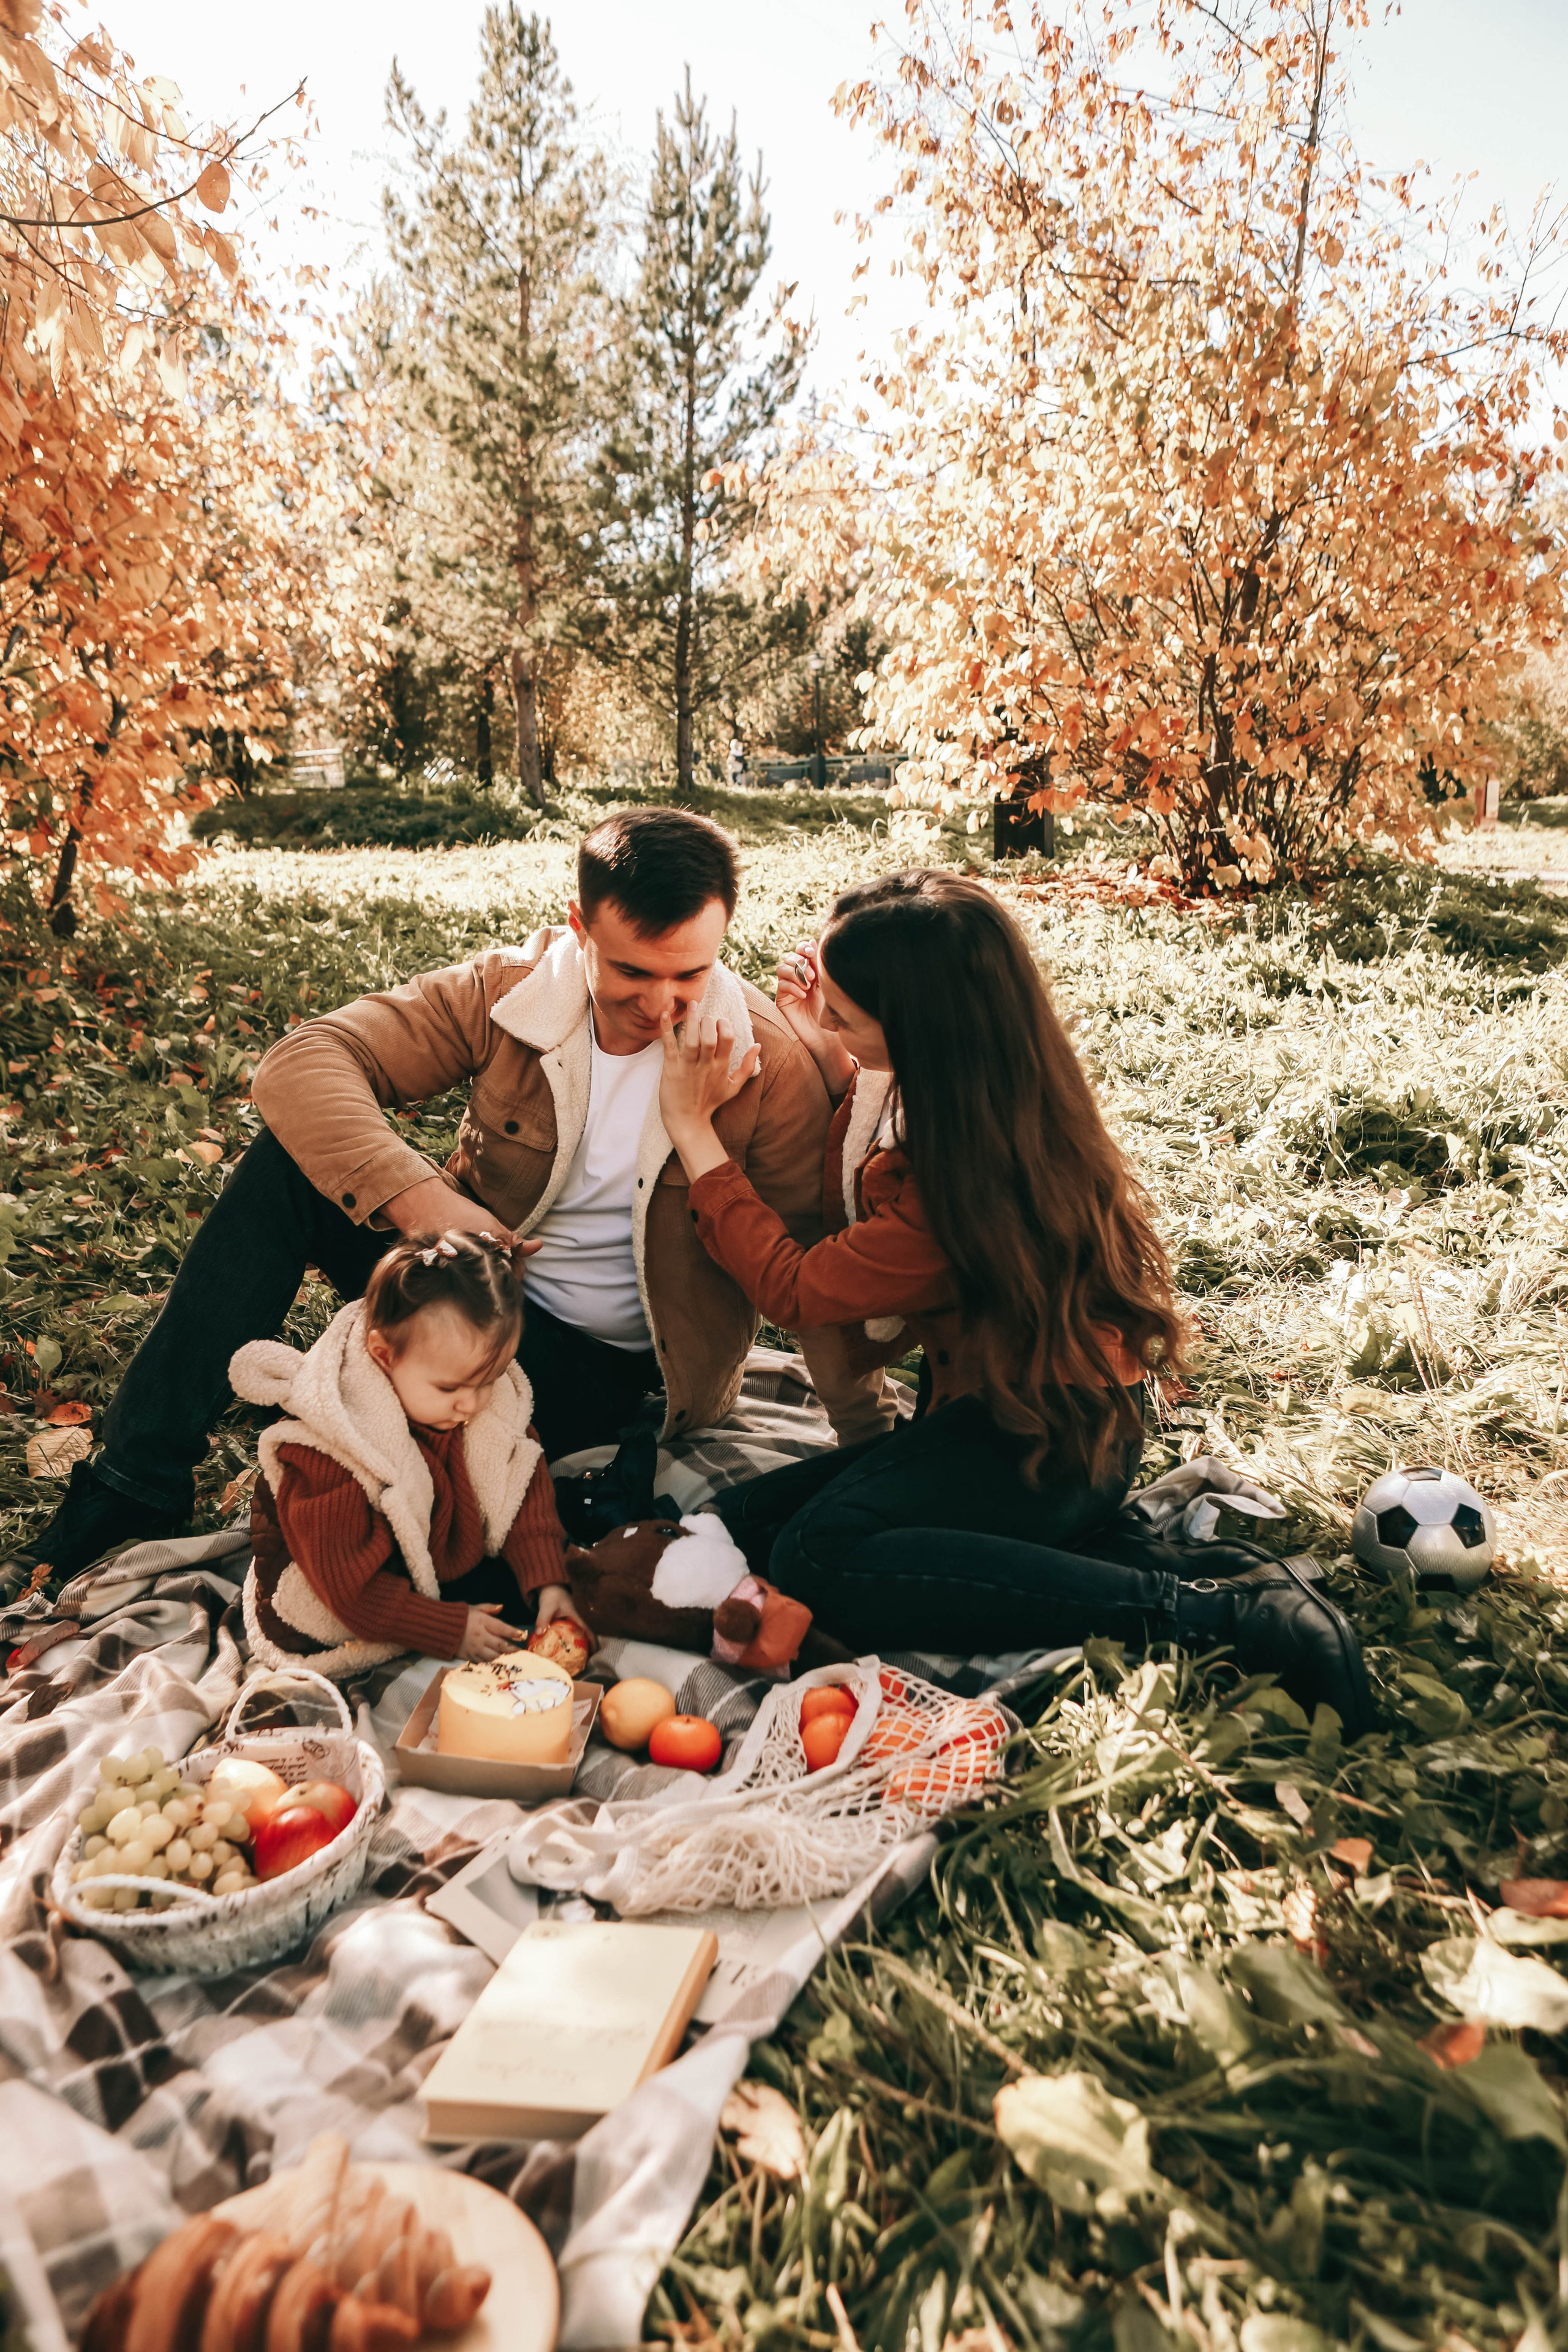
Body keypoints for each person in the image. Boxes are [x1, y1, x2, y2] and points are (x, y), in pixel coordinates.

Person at [12, 807, 893, 1586]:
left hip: (594, 1371)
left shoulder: (765, 1062)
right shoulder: (511, 993)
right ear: (580, 927)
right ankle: (132, 1485)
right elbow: (301, 1063)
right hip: (462, 1284)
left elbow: (811, 1276)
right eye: (633, 972)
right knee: (284, 1165)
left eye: (689, 975)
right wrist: (425, 1202)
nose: (662, 1005)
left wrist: (869, 1454)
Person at [655, 869, 1373, 1727]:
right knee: (740, 1523)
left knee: (816, 1556)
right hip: (999, 1417)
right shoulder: (991, 1090)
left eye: (844, 1014)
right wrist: (833, 1044)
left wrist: (692, 1130)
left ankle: (1218, 1613)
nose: (828, 1023)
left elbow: (800, 1289)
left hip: (1048, 1440)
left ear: (915, 1029)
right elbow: (871, 1133)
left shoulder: (957, 1179)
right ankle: (1092, 1548)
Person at [233, 1231, 578, 1678]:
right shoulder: (330, 1452)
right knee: (327, 1622)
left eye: (489, 1380)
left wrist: (548, 1580)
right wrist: (448, 1628)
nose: (472, 1403)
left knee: (574, 1573)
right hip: (346, 1591)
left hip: (433, 1558)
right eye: (450, 1388)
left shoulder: (477, 1403)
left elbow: (519, 1489)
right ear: (384, 1355)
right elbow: (346, 1587)